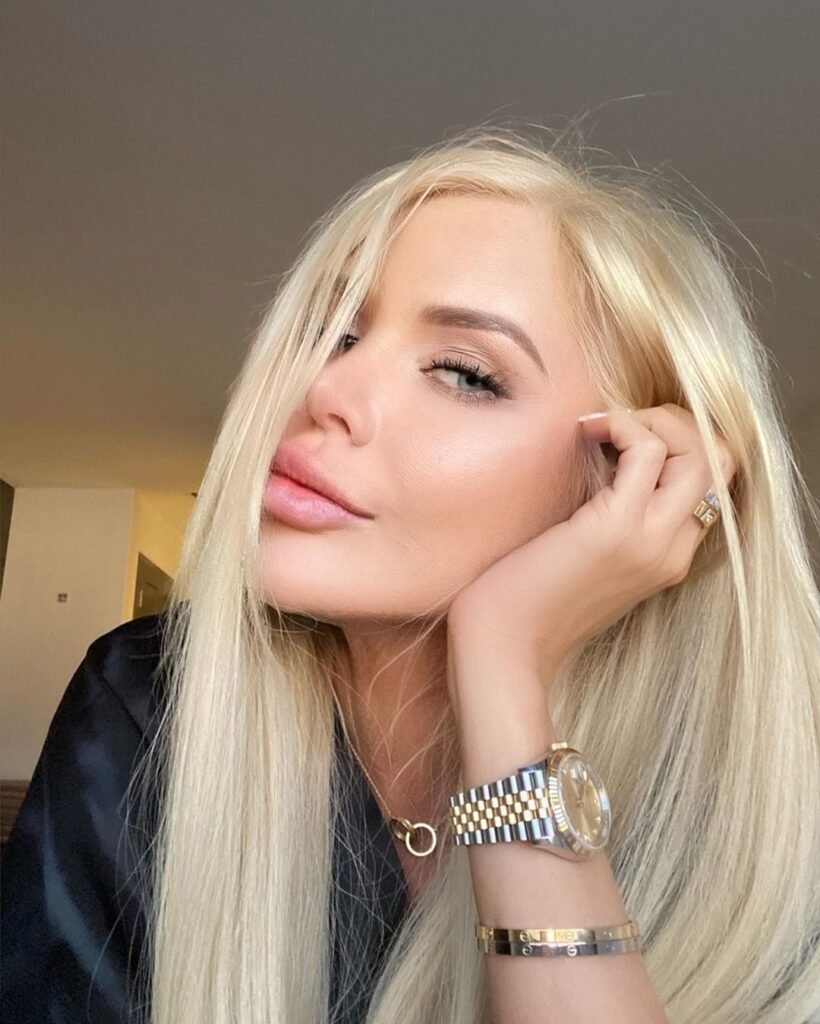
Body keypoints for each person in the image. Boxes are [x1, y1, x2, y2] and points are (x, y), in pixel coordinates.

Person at [3, 122, 819, 1023]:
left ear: (623, 482)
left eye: (465, 373)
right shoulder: (146, 698)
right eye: (333, 332)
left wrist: (503, 662)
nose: (325, 390)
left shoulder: (747, 824)